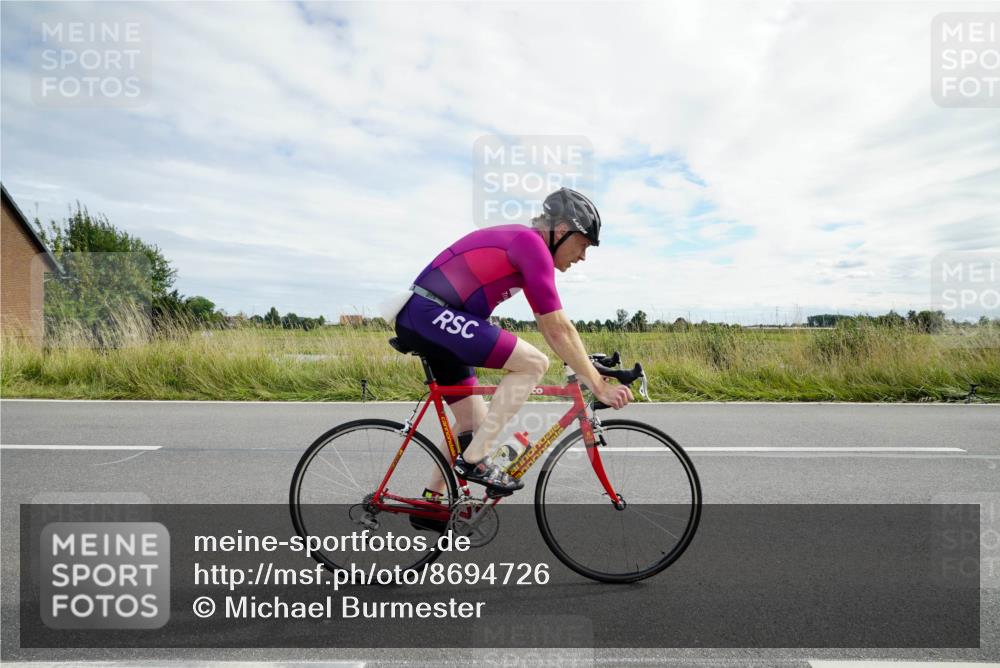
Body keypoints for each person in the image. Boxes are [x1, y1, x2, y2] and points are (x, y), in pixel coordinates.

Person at [392, 188, 632, 501]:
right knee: (534, 363)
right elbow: (556, 327)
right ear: (562, 231)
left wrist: (586, 363)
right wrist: (598, 386)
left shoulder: (527, 247)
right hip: (430, 314)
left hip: (430, 317)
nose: (583, 256)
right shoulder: (531, 245)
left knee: (474, 423)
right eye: (583, 244)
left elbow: (553, 324)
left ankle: (431, 501)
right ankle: (475, 460)